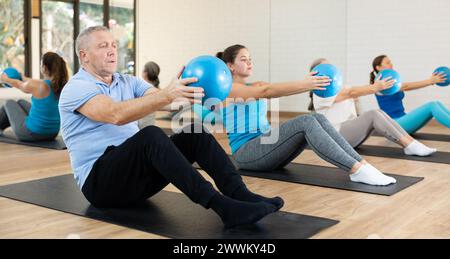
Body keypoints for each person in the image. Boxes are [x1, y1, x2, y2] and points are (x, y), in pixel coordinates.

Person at [59, 26, 282, 229]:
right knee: (151, 135)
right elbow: (114, 114)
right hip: (101, 184)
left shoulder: (128, 81)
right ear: (84, 55)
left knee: (195, 134)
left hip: (137, 179)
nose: (112, 51)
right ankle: (224, 208)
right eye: (102, 46)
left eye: (114, 45)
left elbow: (166, 101)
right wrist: (167, 94)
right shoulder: (76, 88)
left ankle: (241, 195)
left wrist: (189, 91)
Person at [217, 44, 396, 186]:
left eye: (250, 59)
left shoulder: (256, 84)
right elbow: (267, 91)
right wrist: (306, 83)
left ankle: (362, 165)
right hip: (247, 153)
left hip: (267, 145)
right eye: (243, 59)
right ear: (230, 66)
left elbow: (276, 90)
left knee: (317, 118)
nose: (250, 62)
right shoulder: (226, 90)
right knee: (305, 121)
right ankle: (357, 170)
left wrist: (309, 83)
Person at [309, 58, 436, 157]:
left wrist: (375, 86)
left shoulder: (342, 87)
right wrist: (375, 87)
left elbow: (353, 91)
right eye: (325, 67)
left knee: (378, 113)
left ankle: (411, 143)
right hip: (336, 137)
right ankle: (410, 146)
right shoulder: (319, 92)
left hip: (349, 134)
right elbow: (350, 93)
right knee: (373, 114)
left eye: (330, 66)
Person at [371, 55, 450, 134]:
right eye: (388, 62)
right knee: (432, 105)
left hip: (402, 121)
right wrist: (430, 81)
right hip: (394, 125)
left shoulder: (391, 82)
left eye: (390, 62)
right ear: (378, 67)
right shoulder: (380, 85)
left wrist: (431, 81)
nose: (391, 64)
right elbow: (406, 86)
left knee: (437, 103)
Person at [0, 52, 68, 141]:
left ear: (44, 68)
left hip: (31, 133)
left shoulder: (40, 86)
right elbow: (33, 82)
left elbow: (18, 83)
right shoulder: (60, 85)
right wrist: (22, 77)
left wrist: (5, 79)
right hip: (52, 133)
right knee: (20, 102)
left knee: (9, 103)